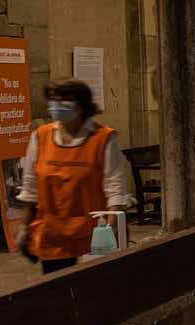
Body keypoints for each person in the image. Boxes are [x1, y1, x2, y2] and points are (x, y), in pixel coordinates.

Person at [16, 79, 132, 274]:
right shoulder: (40, 137)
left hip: (95, 234)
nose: (57, 104)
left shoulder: (102, 139)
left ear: (81, 105)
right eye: (53, 98)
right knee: (58, 294)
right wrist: (24, 227)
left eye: (64, 99)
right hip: (54, 234)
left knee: (94, 293)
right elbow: (31, 188)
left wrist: (111, 231)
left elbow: (115, 188)